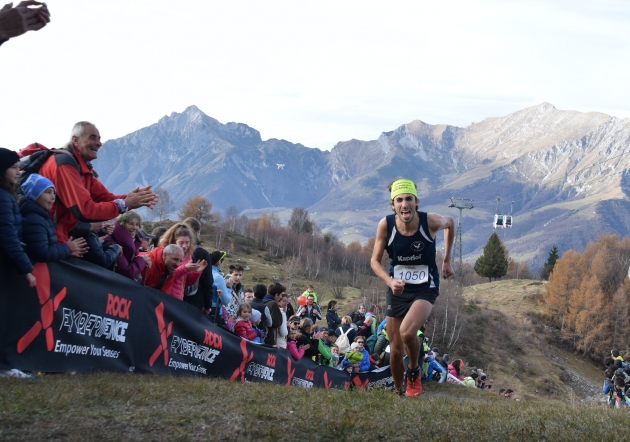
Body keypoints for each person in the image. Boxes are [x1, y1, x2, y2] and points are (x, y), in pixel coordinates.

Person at [370, 178, 454, 397]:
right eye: (399, 200)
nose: (404, 204)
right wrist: (389, 282)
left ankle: (414, 371)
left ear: (417, 202)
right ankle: (399, 391)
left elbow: (451, 222)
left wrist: (446, 260)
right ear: (392, 204)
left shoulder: (431, 222)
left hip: (425, 287)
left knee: (408, 332)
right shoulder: (385, 225)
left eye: (409, 199)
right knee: (395, 349)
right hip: (397, 288)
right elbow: (374, 261)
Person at [38, 121, 158, 244]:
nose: (99, 143)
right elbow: (85, 210)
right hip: (46, 240)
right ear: (75, 140)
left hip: (59, 238)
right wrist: (126, 203)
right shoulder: (64, 165)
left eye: (99, 139)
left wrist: (135, 198)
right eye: (92, 138)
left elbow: (104, 197)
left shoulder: (82, 168)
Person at [20, 174, 87, 263]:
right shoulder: (34, 220)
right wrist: (68, 247)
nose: (53, 197)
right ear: (34, 194)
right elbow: (42, 254)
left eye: (54, 193)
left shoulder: (41, 216)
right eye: (48, 192)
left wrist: (67, 252)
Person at [0, 148, 35, 286]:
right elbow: (8, 236)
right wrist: (26, 270)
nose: (18, 172)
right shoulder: (3, 198)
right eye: (13, 168)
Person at [159, 223, 205, 300]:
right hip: (166, 297)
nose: (184, 246)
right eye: (181, 243)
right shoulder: (166, 253)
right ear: (174, 241)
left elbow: (187, 282)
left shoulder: (187, 256)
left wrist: (196, 272)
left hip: (178, 298)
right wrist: (185, 269)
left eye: (187, 242)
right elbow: (168, 276)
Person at [103, 210, 149, 280]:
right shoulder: (112, 242)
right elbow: (127, 272)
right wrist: (142, 260)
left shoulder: (131, 243)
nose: (135, 228)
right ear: (122, 224)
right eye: (131, 223)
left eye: (137, 224)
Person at [181, 218, 213, 314]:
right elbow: (207, 281)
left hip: (176, 295)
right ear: (197, 232)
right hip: (195, 298)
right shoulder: (202, 253)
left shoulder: (176, 249)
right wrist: (208, 305)